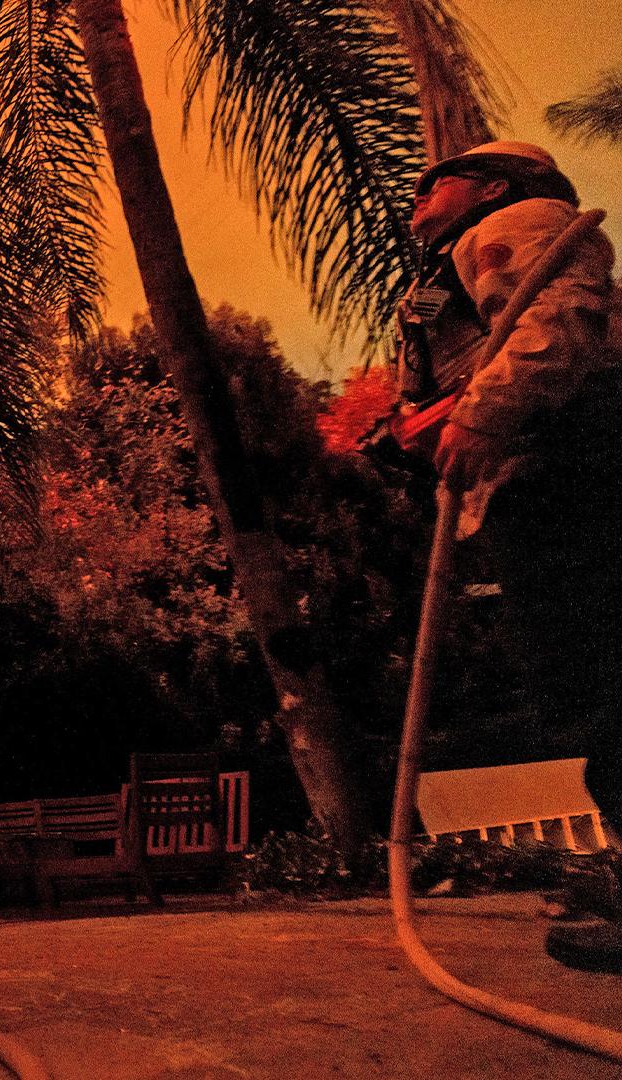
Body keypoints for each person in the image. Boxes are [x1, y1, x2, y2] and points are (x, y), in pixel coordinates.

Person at [391, 141, 622, 972]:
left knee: (603, 677)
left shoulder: (518, 222)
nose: (419, 195)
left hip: (572, 463)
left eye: (436, 180)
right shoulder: (453, 263)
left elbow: (557, 318)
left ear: (491, 186)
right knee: (586, 683)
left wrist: (484, 414)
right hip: (541, 474)